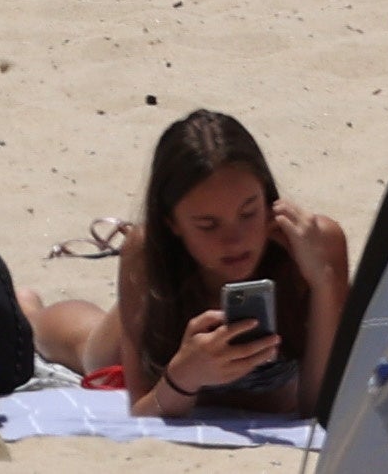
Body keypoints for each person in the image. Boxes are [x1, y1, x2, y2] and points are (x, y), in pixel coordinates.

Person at [26, 112, 352, 423]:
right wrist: (184, 377)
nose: (234, 241)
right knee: (82, 347)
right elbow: (143, 410)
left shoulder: (317, 246)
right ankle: (27, 308)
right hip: (157, 318)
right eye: (208, 225)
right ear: (172, 224)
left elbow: (320, 408)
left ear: (269, 201)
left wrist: (323, 281)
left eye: (249, 212)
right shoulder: (147, 251)